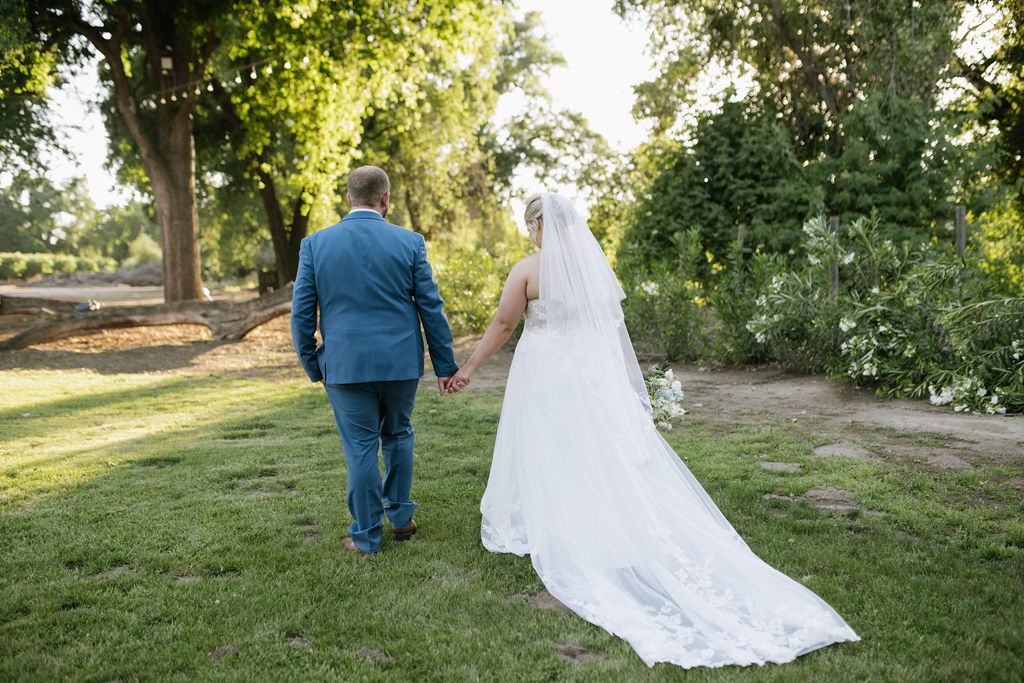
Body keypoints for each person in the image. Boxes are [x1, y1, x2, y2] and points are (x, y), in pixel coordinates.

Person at [445, 193, 859, 668]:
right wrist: (629, 391)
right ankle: (596, 519)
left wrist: (470, 367)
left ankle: (565, 525)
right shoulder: (593, 269)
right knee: (592, 450)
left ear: (541, 225)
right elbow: (611, 333)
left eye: (530, 227)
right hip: (589, 377)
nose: (530, 235)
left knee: (550, 447)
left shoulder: (528, 270)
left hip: (545, 372)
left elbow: (503, 324)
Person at [291, 165, 458, 555]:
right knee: (398, 434)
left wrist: (313, 363)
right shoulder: (410, 242)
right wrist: (444, 365)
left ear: (349, 198)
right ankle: (400, 518)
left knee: (362, 446)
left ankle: (367, 536)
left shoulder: (315, 244)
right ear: (386, 199)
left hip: (345, 366)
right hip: (401, 362)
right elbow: (431, 308)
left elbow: (302, 313)